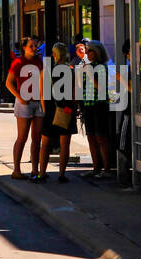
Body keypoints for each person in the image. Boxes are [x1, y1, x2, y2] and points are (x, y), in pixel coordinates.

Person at [38, 41, 77, 182]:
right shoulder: (70, 70)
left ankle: (42, 173)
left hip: (49, 110)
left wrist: (45, 110)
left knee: (46, 144)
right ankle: (61, 175)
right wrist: (73, 108)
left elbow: (42, 95)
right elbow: (74, 94)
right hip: (65, 109)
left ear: (54, 54)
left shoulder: (45, 72)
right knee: (64, 143)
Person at [6, 37, 44, 179]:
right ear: (24, 48)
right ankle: (16, 170)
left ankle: (35, 170)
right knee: (22, 137)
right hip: (24, 103)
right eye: (31, 46)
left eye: (35, 46)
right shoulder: (18, 62)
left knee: (37, 138)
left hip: (38, 102)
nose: (34, 48)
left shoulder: (39, 61)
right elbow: (8, 83)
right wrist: (20, 97)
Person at [78, 40, 113, 178]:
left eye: (90, 50)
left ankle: (107, 169)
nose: (87, 53)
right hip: (88, 105)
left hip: (99, 104)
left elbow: (102, 88)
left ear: (97, 52)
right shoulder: (88, 67)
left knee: (101, 137)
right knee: (91, 137)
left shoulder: (102, 68)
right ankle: (96, 168)